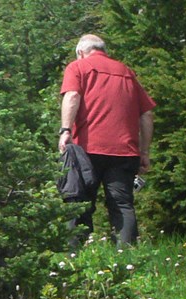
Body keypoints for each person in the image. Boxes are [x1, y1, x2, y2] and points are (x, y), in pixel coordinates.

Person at [58, 34, 156, 248]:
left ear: (81, 52)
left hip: (87, 150)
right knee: (122, 204)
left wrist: (65, 130)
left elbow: (72, 96)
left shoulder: (78, 67)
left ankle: (73, 260)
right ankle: (127, 258)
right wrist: (145, 152)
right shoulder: (127, 73)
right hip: (125, 151)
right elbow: (147, 114)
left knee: (78, 202)